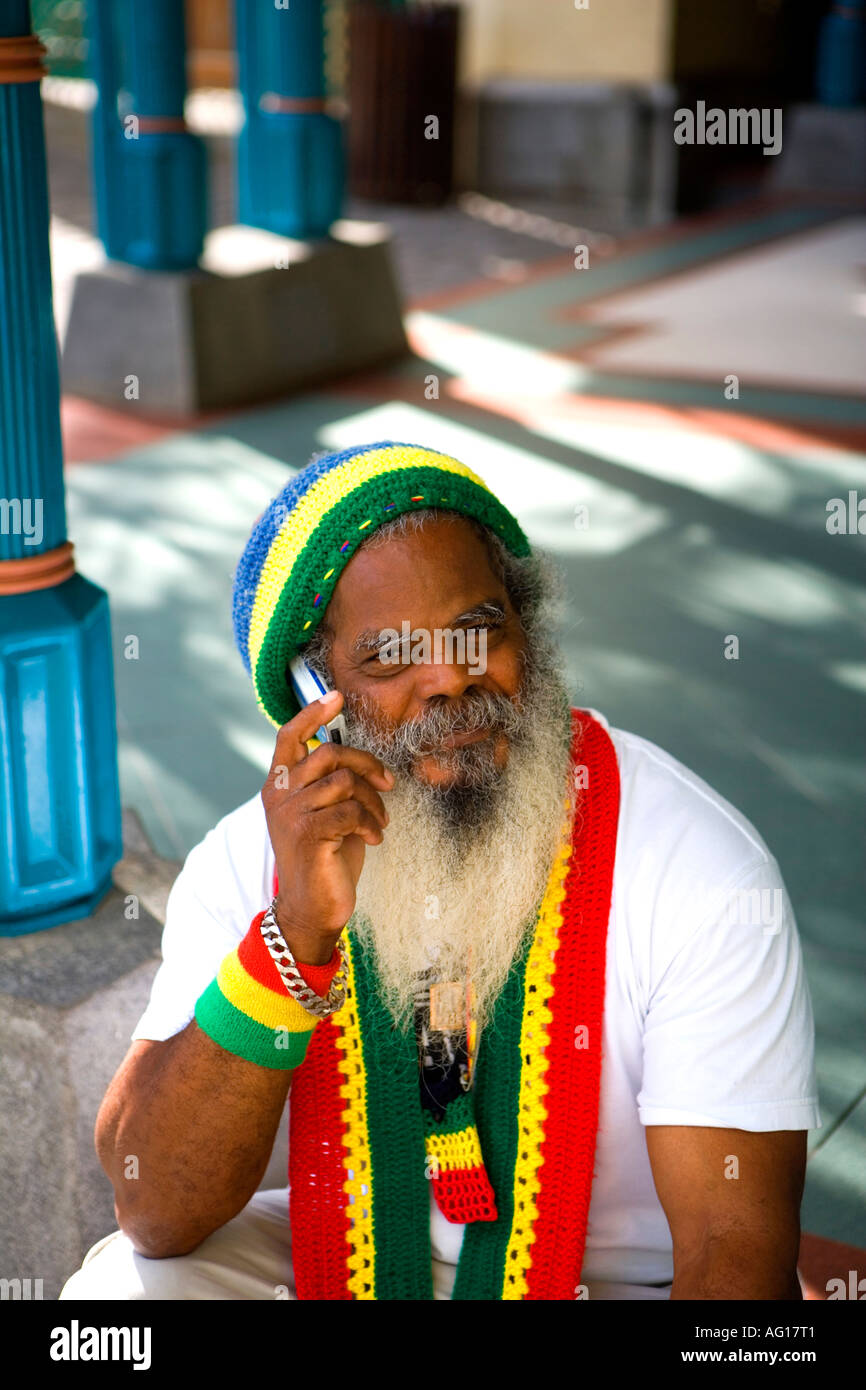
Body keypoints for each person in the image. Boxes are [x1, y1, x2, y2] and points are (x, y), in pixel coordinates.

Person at [61, 440, 819, 1301]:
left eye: (478, 628)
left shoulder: (700, 864)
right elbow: (155, 1208)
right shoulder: (249, 860)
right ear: (313, 691)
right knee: (122, 1295)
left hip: (617, 1285)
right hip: (345, 1257)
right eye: (389, 657)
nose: (451, 680)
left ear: (523, 629)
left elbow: (734, 1254)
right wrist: (295, 936)